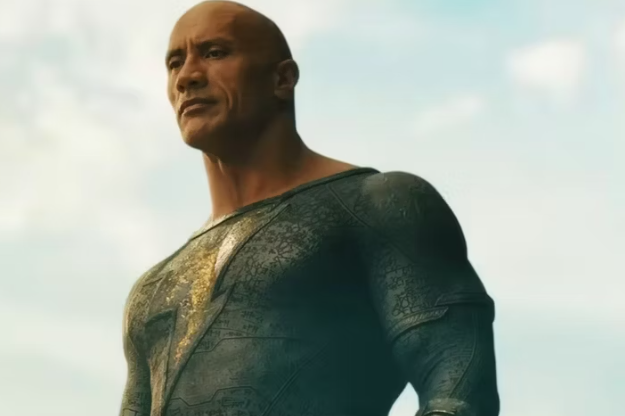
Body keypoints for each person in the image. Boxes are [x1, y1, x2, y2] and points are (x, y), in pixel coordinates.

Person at [119, 1, 500, 415]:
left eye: (214, 53)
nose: (187, 77)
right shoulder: (153, 289)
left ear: (282, 78)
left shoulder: (379, 205)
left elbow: (459, 390)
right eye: (175, 63)